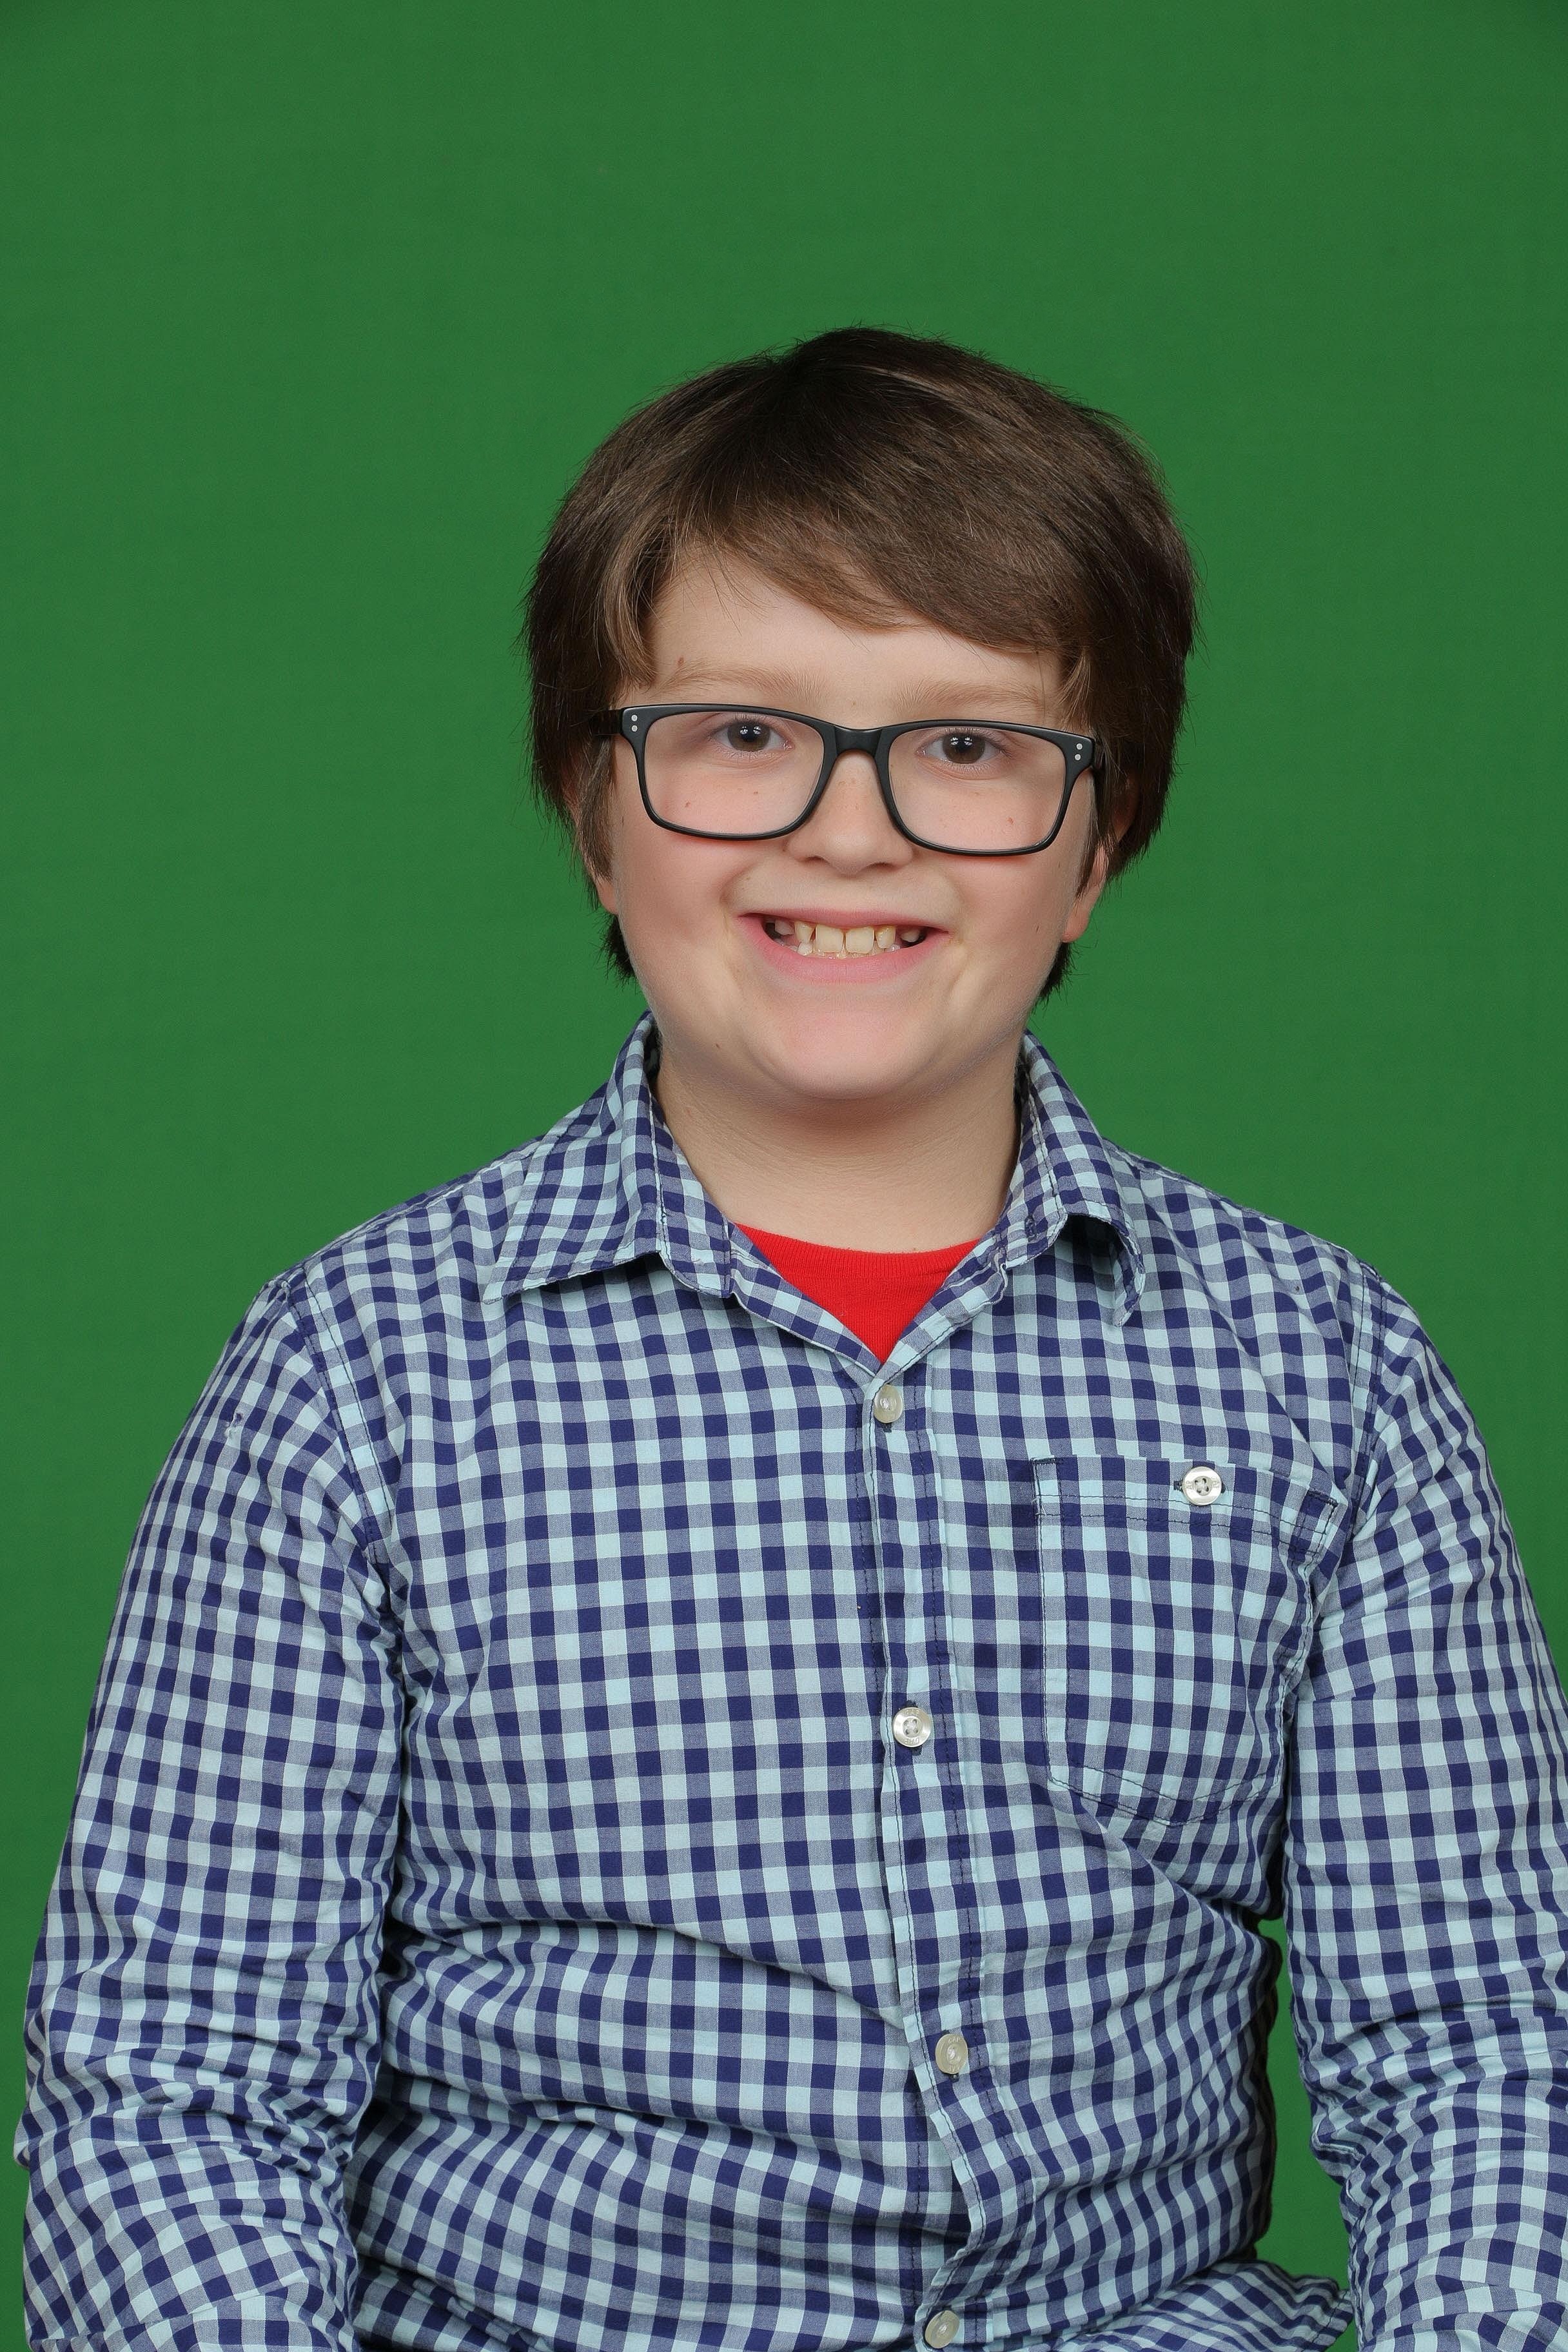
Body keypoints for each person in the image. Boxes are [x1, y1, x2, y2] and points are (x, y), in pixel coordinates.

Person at [18, 328, 1568, 2352]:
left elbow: (1484, 2046)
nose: (852, 832)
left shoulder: (1323, 1371)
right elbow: (174, 2094)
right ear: (596, 812)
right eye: (743, 733)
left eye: (970, 745)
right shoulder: (359, 1375)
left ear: (1101, 843)